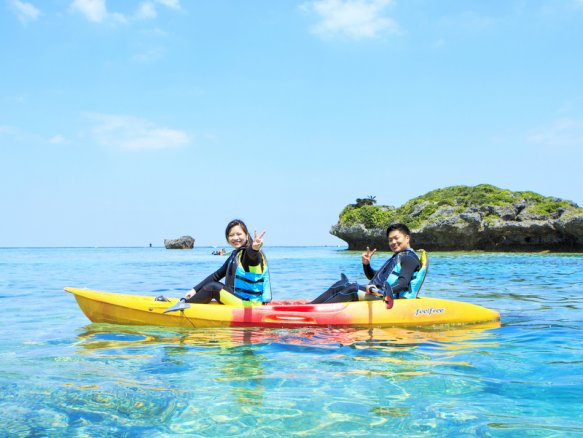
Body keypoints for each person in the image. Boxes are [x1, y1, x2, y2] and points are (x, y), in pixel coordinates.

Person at [310, 223, 424, 307]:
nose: (393, 242)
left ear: (407, 238)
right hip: (377, 292)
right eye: (390, 240)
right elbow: (375, 277)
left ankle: (319, 312)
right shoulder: (398, 256)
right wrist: (366, 264)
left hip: (388, 298)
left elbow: (402, 283)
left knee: (352, 289)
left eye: (396, 238)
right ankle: (310, 306)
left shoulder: (409, 258)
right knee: (342, 284)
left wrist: (381, 290)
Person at [184, 219, 271, 306]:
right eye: (231, 235)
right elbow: (217, 275)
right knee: (213, 285)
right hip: (237, 299)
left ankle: (184, 307)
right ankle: (191, 303)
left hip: (249, 304)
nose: (235, 238)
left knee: (213, 287)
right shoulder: (235, 255)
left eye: (239, 234)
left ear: (247, 236)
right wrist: (195, 290)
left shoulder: (248, 254)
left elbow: (252, 257)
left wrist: (254, 248)